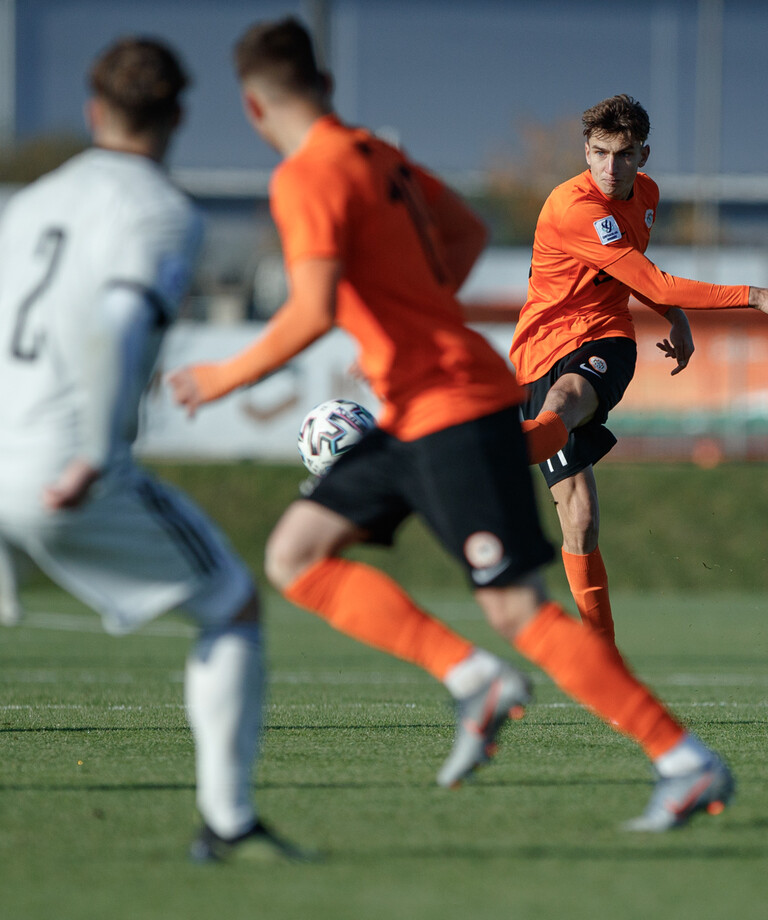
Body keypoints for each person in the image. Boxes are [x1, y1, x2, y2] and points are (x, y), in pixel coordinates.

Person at [169, 18, 746, 832]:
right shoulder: (381, 157)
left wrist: (222, 377)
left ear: (253, 109)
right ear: (326, 89)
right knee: (294, 554)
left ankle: (682, 761)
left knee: (516, 608)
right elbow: (468, 233)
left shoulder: (304, 178)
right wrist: (420, 308)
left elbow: (307, 310)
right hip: (423, 400)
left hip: (447, 402)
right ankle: (475, 678)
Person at [0, 37, 301, 864]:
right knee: (232, 603)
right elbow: (121, 322)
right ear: (176, 117)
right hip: (61, 465)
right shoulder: (160, 210)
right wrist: (96, 452)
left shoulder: (26, 205)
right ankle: (230, 825)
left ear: (94, 111)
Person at [512, 94, 768, 647]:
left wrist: (673, 317)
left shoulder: (644, 197)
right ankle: (486, 453)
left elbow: (639, 277)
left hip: (605, 337)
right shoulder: (575, 207)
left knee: (570, 397)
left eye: (623, 155)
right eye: (600, 153)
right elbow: (653, 280)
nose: (610, 168)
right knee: (579, 520)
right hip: (539, 350)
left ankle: (605, 669)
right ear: (585, 150)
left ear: (643, 155)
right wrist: (752, 295)